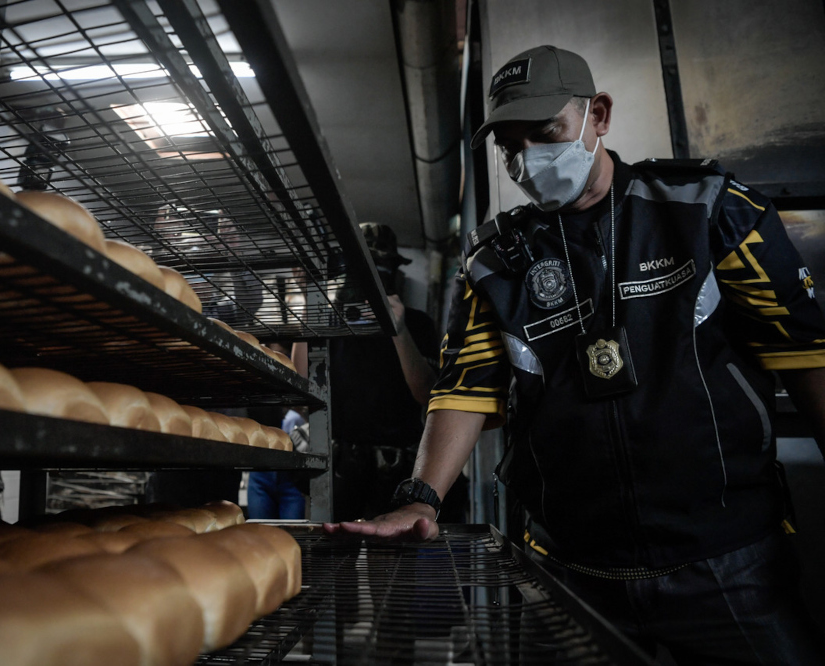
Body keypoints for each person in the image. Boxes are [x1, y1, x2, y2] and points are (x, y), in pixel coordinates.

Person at [326, 45, 825, 663]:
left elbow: (806, 354)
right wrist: (420, 496)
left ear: (599, 115)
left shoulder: (707, 209)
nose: (529, 160)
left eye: (545, 133)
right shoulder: (497, 261)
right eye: (511, 147)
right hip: (570, 570)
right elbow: (464, 389)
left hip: (729, 562)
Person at [299, 222, 468, 522]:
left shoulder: (416, 324)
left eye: (381, 270)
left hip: (396, 468)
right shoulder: (328, 324)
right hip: (340, 467)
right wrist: (308, 317)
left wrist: (398, 331)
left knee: (391, 562)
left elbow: (428, 395)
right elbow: (303, 399)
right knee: (332, 559)